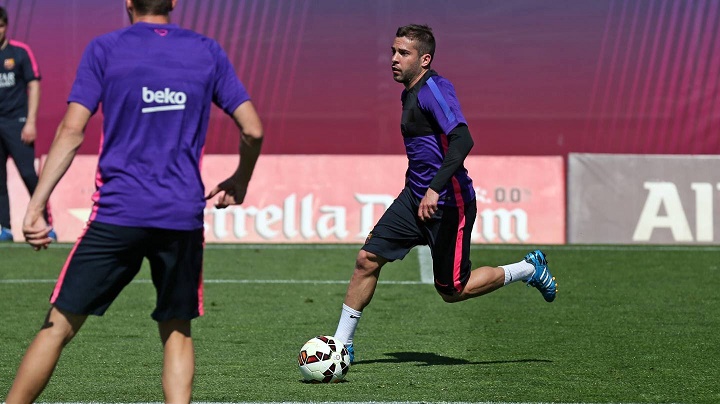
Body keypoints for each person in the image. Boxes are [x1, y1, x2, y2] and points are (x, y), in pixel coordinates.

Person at [3, 0, 263, 403]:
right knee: (177, 331)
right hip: (181, 216)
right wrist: (241, 181)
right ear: (174, 2)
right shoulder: (206, 50)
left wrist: (36, 205)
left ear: (127, 2)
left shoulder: (105, 48)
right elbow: (253, 130)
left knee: (58, 326)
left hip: (118, 213)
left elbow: (72, 132)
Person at [333, 24, 557, 363]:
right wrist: (418, 195)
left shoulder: (434, 89)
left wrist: (435, 190)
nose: (393, 58)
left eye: (403, 53)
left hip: (449, 203)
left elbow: (463, 140)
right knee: (367, 259)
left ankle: (528, 269)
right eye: (393, 51)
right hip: (414, 198)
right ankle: (341, 345)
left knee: (453, 291)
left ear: (424, 59)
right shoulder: (408, 91)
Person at [0, 6, 55, 242]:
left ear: (5, 26)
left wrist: (30, 122)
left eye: (0, 25)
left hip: (17, 122)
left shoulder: (20, 52)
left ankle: (45, 223)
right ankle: (4, 228)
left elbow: (34, 85)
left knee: (27, 173)